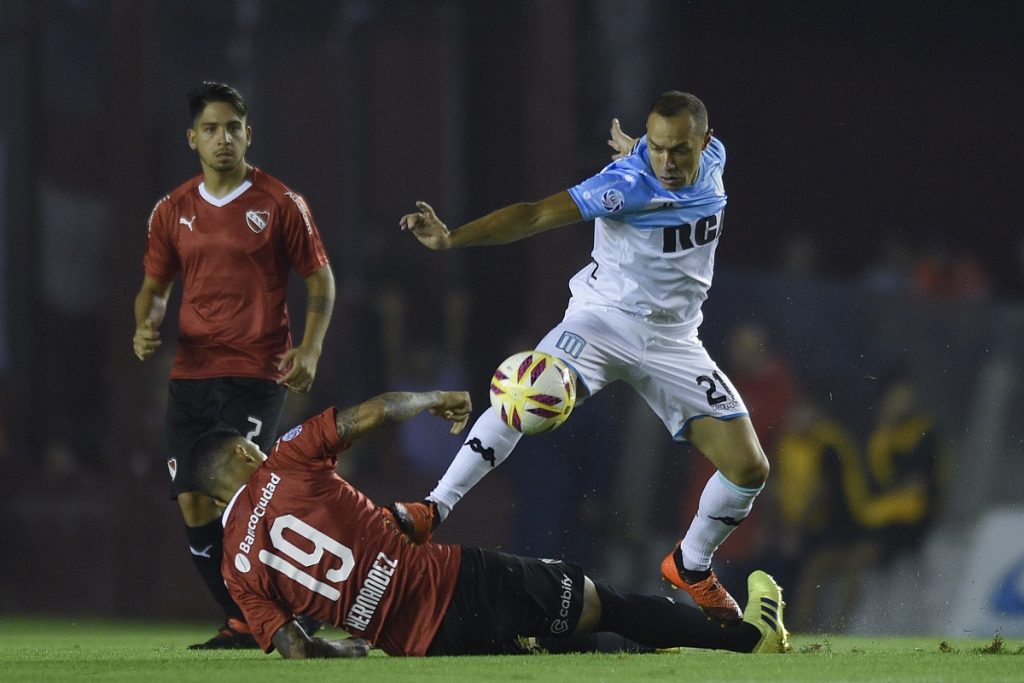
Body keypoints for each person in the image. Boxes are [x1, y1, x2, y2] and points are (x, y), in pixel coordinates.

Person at [395, 91, 768, 622]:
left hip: (675, 341)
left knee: (749, 467)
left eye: (678, 150)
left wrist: (638, 144)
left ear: (705, 143)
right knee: (528, 386)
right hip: (602, 323)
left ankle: (690, 565)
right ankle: (434, 506)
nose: (666, 163)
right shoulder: (625, 184)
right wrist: (453, 239)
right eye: (656, 149)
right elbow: (534, 214)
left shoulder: (714, 160)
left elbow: (670, 149)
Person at [189, 388, 789, 657]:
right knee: (597, 599)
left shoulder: (234, 566)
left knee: (553, 636)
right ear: (245, 453)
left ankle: (634, 646)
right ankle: (746, 638)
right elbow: (368, 413)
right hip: (456, 582)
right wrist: (429, 400)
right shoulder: (287, 460)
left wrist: (346, 650)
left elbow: (293, 648)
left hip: (420, 649)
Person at [132, 82, 336, 649]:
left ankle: (308, 602)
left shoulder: (279, 202)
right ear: (192, 137)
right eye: (212, 129)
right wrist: (146, 323)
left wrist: (312, 347)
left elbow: (320, 279)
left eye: (234, 128)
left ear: (249, 134)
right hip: (190, 378)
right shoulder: (171, 210)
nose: (224, 139)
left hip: (256, 374)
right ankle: (246, 620)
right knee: (194, 502)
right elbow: (154, 287)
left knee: (246, 499)